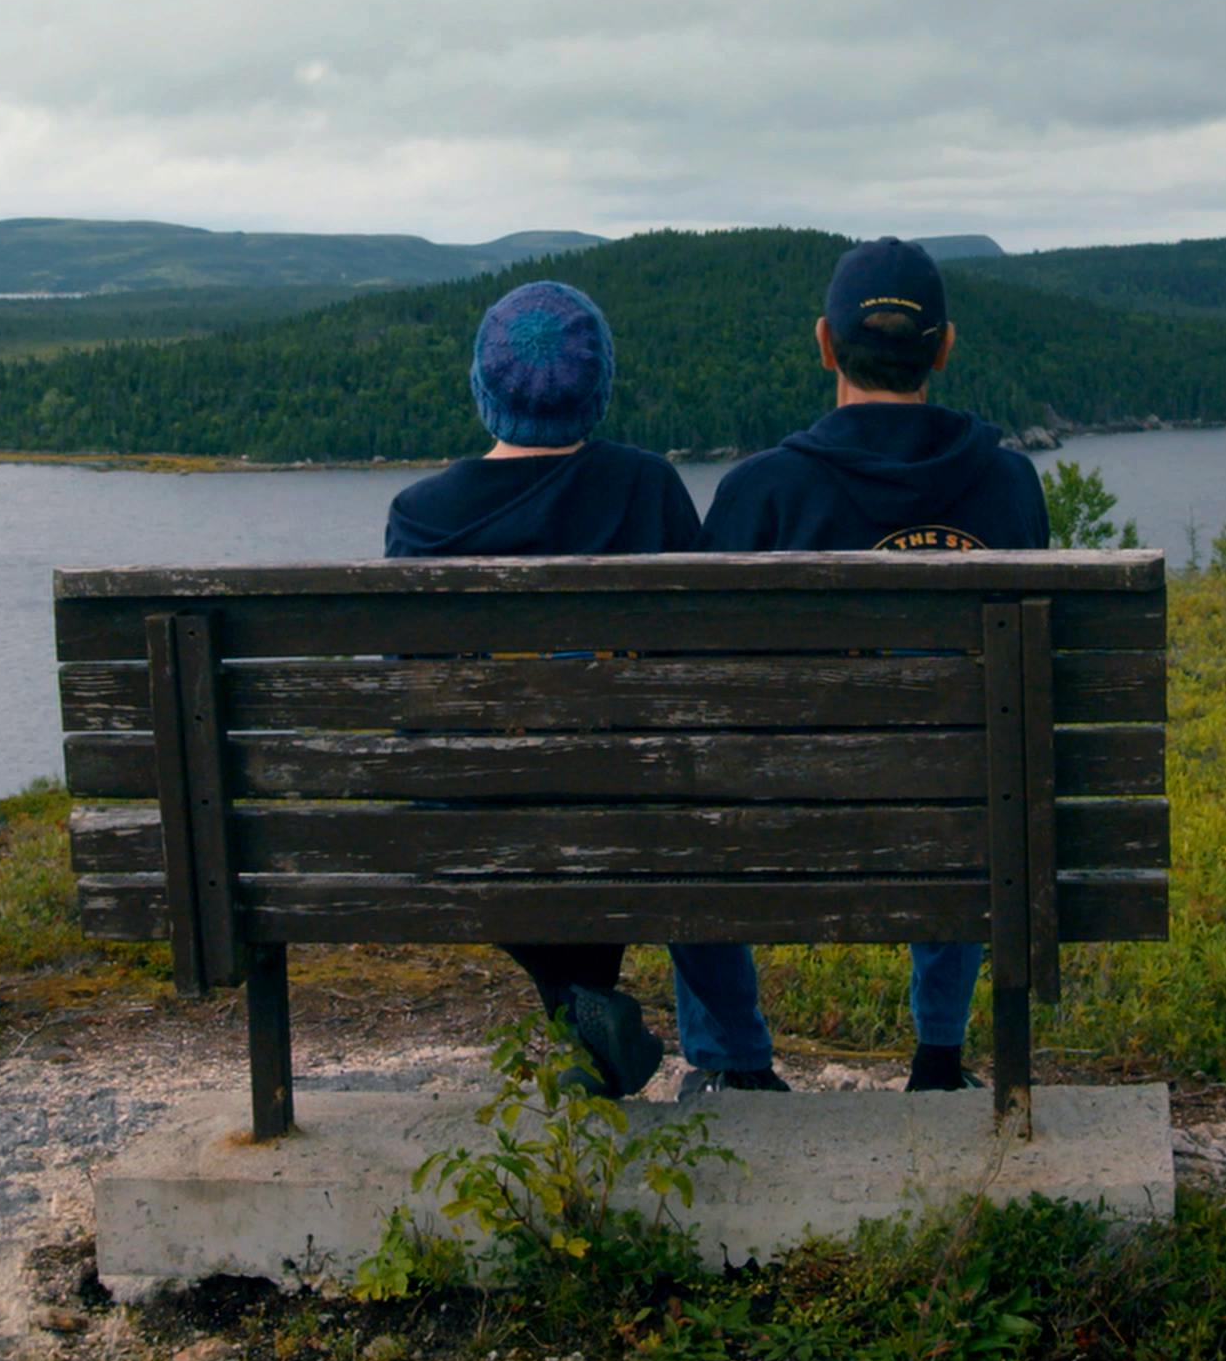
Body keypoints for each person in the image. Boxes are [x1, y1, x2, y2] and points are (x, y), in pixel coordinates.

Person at [382, 280, 786, 1098]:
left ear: (481, 386)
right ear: (599, 388)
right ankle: (733, 1060)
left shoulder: (421, 516)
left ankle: (578, 1007)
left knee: (487, 799)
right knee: (666, 791)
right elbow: (698, 671)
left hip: (485, 823)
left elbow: (415, 707)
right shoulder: (647, 486)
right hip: (635, 805)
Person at [703, 237, 1049, 1091]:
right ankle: (940, 1058)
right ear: (944, 348)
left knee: (700, 792)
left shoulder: (758, 493)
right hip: (968, 826)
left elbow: (700, 691)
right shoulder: (1010, 487)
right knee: (971, 757)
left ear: (825, 344)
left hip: (783, 824)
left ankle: (738, 1065)